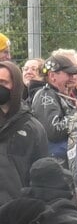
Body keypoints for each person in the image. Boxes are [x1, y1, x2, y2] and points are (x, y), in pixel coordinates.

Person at [0, 61, 48, 205]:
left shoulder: (32, 128)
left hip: (19, 212)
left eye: (3, 82)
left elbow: (41, 176)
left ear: (15, 87)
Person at [32, 54, 77, 165]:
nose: (72, 78)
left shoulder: (56, 94)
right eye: (69, 74)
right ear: (52, 76)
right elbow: (54, 130)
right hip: (56, 167)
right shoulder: (45, 95)